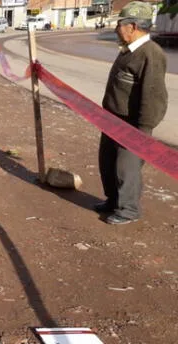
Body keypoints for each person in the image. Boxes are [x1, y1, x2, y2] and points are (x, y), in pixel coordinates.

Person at [96, 1, 168, 225]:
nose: (117, 29)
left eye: (120, 24)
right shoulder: (128, 50)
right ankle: (113, 201)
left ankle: (129, 210)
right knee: (107, 162)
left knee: (125, 169)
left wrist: (142, 131)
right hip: (113, 121)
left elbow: (154, 96)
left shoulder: (150, 54)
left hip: (133, 126)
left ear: (133, 26)